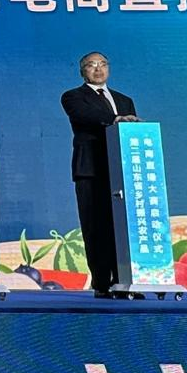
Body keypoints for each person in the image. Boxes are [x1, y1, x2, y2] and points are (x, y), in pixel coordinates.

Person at [60, 52, 139, 298]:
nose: (98, 69)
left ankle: (125, 280)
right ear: (82, 71)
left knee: (122, 227)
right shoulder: (73, 96)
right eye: (91, 65)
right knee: (96, 227)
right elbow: (84, 116)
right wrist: (115, 119)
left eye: (103, 64)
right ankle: (102, 283)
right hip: (91, 170)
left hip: (121, 170)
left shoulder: (124, 100)